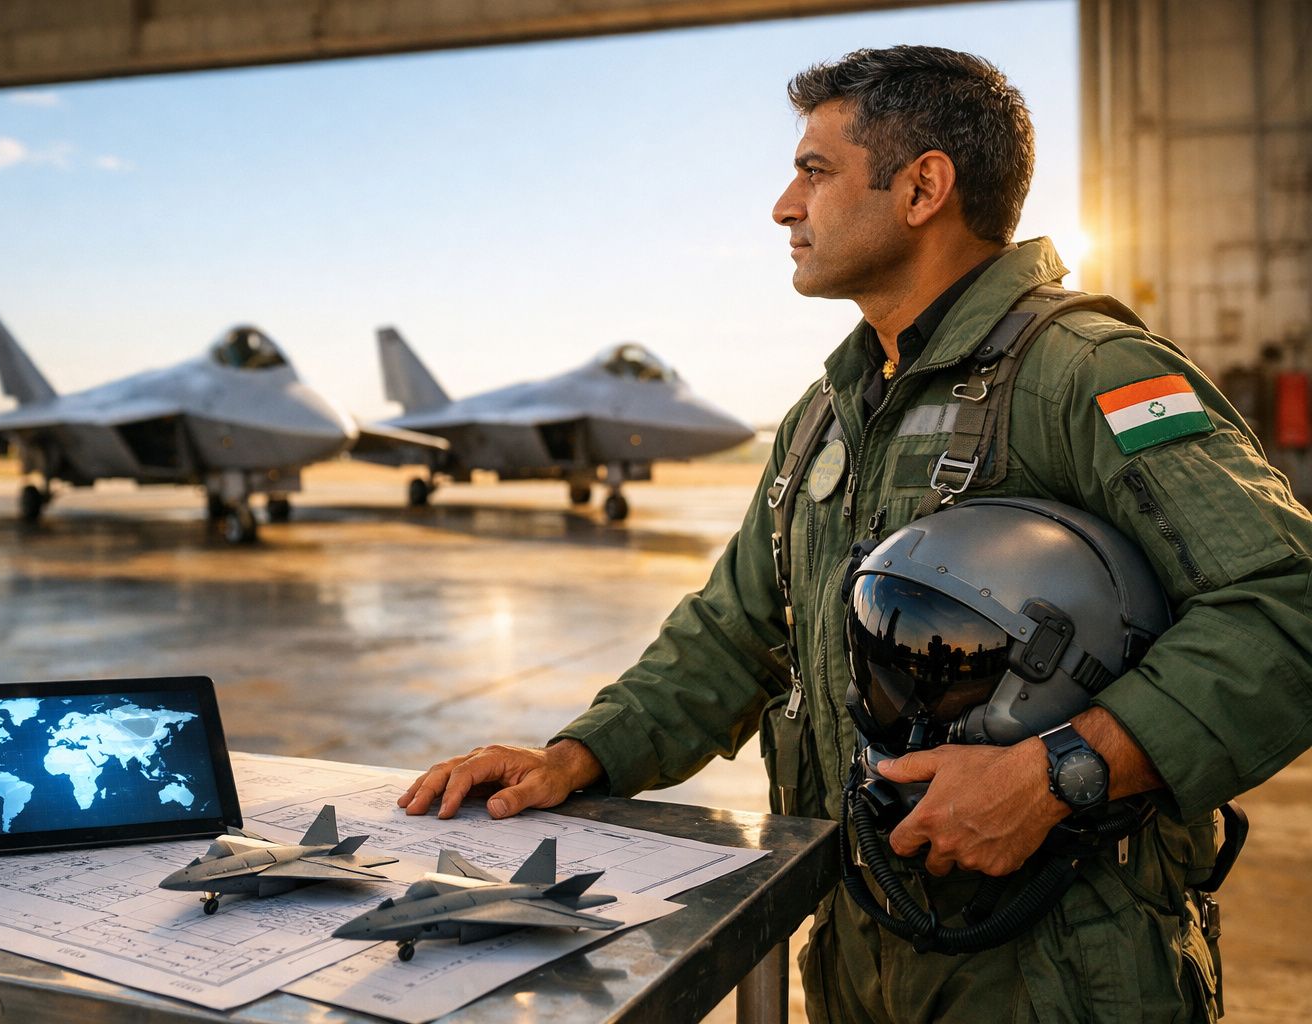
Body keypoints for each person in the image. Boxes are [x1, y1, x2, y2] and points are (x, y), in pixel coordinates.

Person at [398, 45, 1312, 1021]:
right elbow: (733, 633)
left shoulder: (1083, 373)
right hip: (856, 950)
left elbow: (1284, 607)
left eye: (815, 170)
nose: (784, 205)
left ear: (923, 186)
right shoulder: (823, 421)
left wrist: (1056, 774)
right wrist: (576, 757)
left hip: (1057, 974)